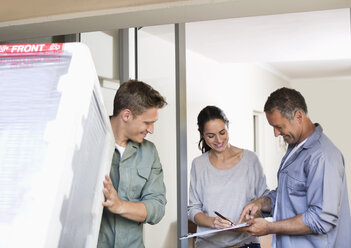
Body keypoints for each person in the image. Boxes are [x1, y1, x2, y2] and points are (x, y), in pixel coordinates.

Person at [237, 87, 351, 247]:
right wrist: (261, 203)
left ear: (298, 116)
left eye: (279, 127)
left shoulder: (322, 156)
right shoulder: (295, 147)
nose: (276, 134)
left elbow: (321, 219)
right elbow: (289, 195)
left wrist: (269, 227)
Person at [97, 80, 167, 248]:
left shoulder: (150, 152)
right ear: (126, 115)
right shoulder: (90, 141)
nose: (151, 130)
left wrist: (120, 206)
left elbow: (157, 207)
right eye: (147, 123)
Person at [188, 105, 269, 248]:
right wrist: (211, 221)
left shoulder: (251, 160)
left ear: (228, 125)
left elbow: (266, 200)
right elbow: (193, 209)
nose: (218, 140)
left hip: (246, 243)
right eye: (211, 136)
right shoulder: (198, 164)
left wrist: (252, 216)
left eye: (222, 132)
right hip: (207, 245)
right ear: (201, 134)